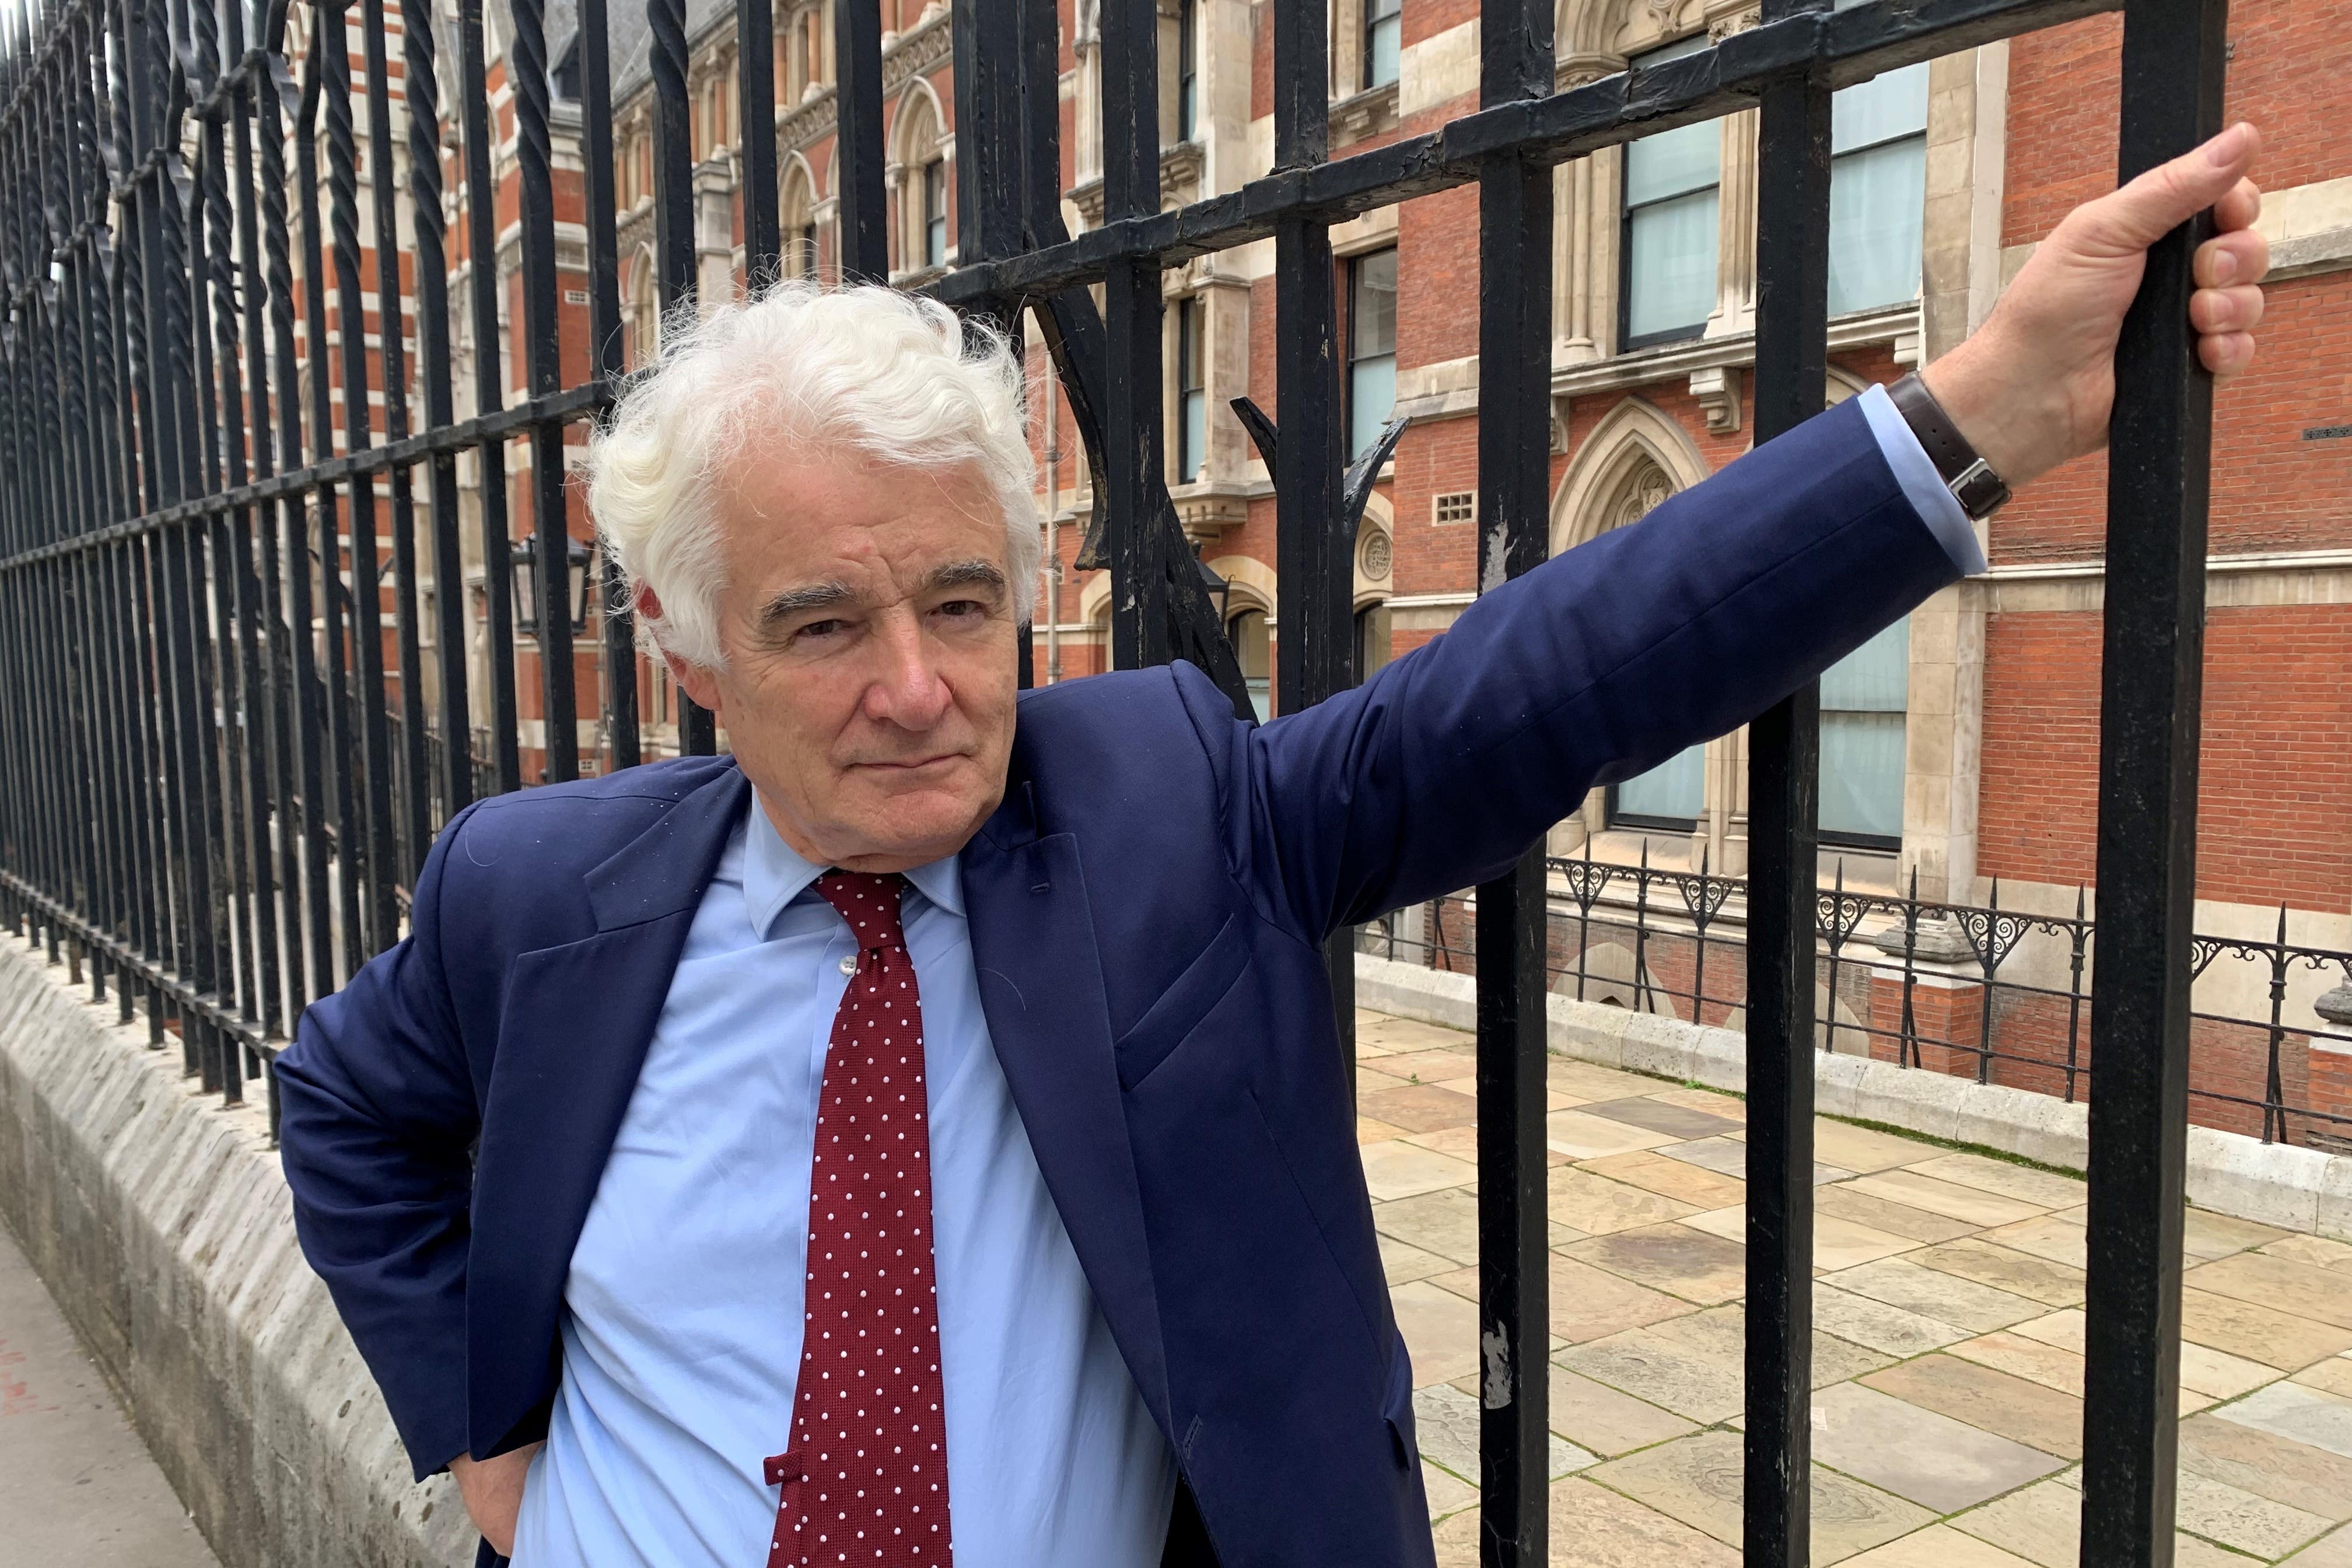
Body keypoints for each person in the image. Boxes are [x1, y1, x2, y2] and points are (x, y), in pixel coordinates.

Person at [274, 124, 2271, 1568]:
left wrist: (1984, 405)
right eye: (822, 625)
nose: (917, 688)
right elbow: (343, 1113)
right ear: (686, 646)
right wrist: (486, 1434)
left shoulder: (1163, 805)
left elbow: (1546, 680)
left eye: (962, 606)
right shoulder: (535, 892)